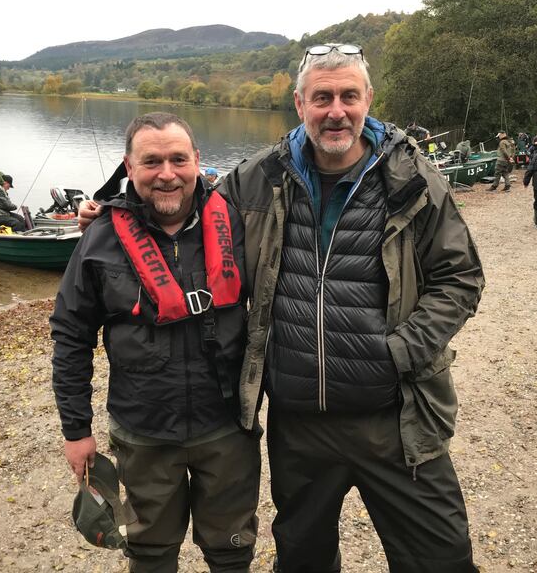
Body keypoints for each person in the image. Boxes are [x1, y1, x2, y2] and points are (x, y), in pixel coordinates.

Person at [79, 45, 485, 573]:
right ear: (300, 103)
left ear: (368, 101)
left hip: (396, 416)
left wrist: (401, 352)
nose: (335, 110)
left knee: (441, 559)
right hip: (300, 424)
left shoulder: (411, 178)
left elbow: (461, 277)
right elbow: (178, 200)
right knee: (303, 559)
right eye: (322, 97)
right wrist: (112, 215)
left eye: (348, 96)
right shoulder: (258, 177)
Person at [51, 112, 260, 573]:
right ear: (129, 168)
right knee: (149, 551)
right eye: (151, 162)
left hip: (227, 426)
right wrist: (76, 431)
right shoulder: (99, 239)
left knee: (232, 548)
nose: (167, 174)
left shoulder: (241, 224)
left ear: (197, 162)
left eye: (178, 159)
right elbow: (70, 336)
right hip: (142, 430)